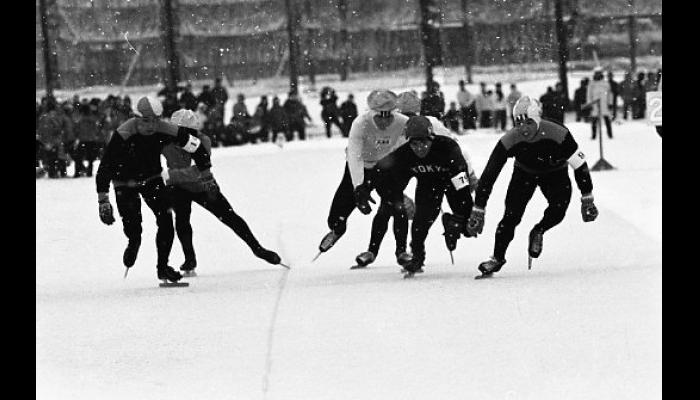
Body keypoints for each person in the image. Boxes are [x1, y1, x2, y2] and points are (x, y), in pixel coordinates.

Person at [465, 95, 599, 278]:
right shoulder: (510, 139)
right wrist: (479, 207)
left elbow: (580, 165)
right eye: (518, 123)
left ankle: (539, 230)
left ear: (538, 120)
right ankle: (497, 257)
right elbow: (490, 174)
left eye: (528, 122)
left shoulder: (558, 132)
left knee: (558, 210)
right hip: (524, 173)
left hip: (555, 173)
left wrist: (587, 197)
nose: (523, 129)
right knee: (510, 217)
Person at [95, 96, 213, 284]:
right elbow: (105, 167)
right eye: (146, 121)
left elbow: (197, 147)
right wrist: (103, 200)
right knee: (134, 228)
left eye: (156, 120)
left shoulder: (164, 128)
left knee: (166, 221)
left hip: (152, 179)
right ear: (136, 117)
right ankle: (134, 241)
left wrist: (207, 176)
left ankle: (162, 268)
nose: (151, 126)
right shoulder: (124, 132)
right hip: (124, 183)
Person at [162, 109, 282, 275]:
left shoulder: (203, 140)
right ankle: (190, 259)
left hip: (203, 186)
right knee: (182, 221)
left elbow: (199, 170)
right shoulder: (166, 142)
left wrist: (170, 175)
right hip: (179, 188)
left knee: (230, 217)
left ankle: (257, 249)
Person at [316, 90, 411, 266]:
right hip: (361, 166)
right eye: (379, 116)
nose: (384, 121)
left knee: (396, 207)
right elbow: (354, 155)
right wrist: (359, 186)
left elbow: (410, 152)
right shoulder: (360, 123)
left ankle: (401, 251)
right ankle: (338, 229)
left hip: (385, 168)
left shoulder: (403, 122)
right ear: (371, 112)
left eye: (388, 116)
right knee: (335, 218)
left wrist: (401, 186)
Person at [374, 116, 477, 277]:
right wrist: (391, 197)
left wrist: (466, 212)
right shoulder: (404, 154)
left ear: (432, 138)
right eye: (414, 143)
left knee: (469, 227)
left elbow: (461, 180)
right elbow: (380, 173)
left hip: (453, 180)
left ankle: (453, 225)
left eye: (424, 142)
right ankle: (417, 257)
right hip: (428, 185)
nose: (419, 148)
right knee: (420, 223)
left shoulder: (448, 147)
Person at [587, 68, 613, 139]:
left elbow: (610, 94)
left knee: (607, 119)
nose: (597, 75)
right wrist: (590, 104)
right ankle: (594, 135)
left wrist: (610, 103)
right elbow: (589, 95)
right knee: (594, 121)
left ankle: (610, 135)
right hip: (595, 104)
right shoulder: (591, 84)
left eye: (599, 73)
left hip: (604, 104)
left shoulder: (605, 83)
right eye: (596, 73)